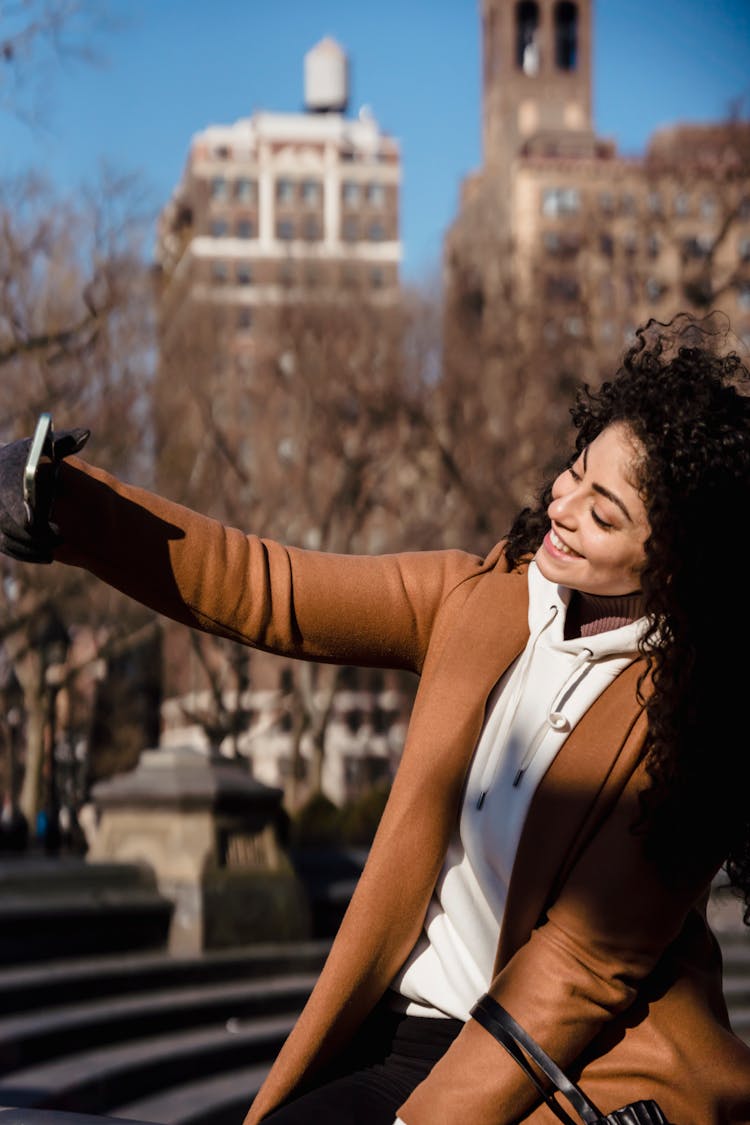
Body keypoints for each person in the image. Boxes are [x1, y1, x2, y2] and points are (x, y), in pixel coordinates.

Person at [0, 312, 749, 1124]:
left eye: (605, 513)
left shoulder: (693, 714)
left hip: (568, 1068)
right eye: (574, 471)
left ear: (676, 559)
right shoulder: (485, 597)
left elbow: (577, 968)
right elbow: (265, 586)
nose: (563, 506)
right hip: (406, 1031)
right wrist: (67, 504)